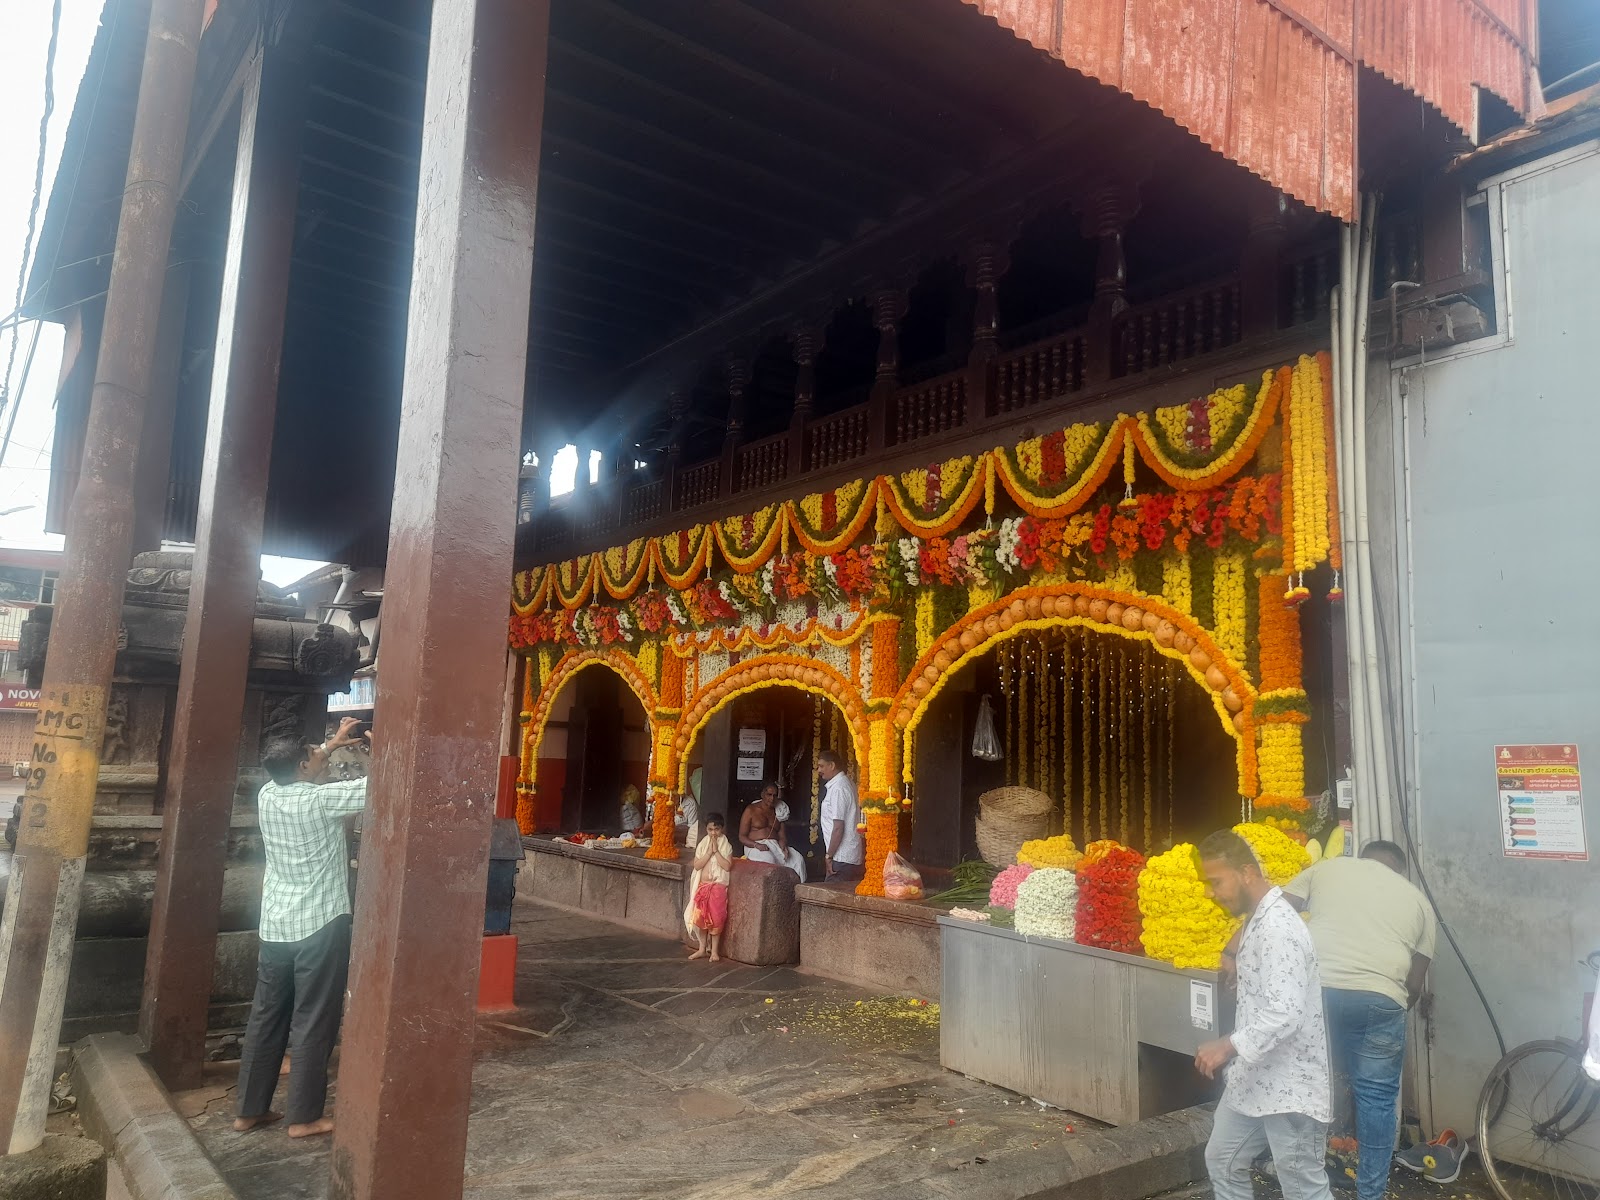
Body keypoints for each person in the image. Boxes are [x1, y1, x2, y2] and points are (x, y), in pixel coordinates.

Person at [233, 718, 369, 1139]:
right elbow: (381, 787)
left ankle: (248, 1111)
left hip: (276, 925)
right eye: (314, 755)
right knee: (314, 1019)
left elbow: (299, 767)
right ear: (302, 768)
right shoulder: (321, 801)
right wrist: (380, 750)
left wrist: (332, 745)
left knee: (266, 1016)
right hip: (320, 925)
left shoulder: (268, 793)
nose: (321, 757)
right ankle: (304, 1117)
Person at [1284, 841, 1438, 1193]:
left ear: (1363, 858)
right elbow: (1414, 983)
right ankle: (1371, 1193)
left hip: (1314, 990)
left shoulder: (1328, 869)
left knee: (1306, 1083)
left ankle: (1302, 1183)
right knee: (1377, 1099)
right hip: (1379, 996)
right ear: (1398, 870)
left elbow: (1277, 912)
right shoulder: (1419, 902)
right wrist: (1388, 1013)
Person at [1195, 828, 1334, 1200]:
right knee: (1222, 1159)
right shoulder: (1259, 919)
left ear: (1246, 873)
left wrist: (1226, 1045)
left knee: (1303, 1186)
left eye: (1215, 882)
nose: (1211, 893)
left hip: (1290, 1085)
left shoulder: (1278, 927)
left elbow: (1285, 1013)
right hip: (1256, 1078)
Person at [684, 813, 733, 961]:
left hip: (717, 888)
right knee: (701, 919)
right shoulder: (702, 844)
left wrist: (716, 851)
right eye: (710, 829)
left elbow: (727, 866)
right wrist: (708, 852)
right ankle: (702, 949)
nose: (713, 833)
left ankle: (714, 952)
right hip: (702, 887)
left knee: (716, 919)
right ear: (706, 829)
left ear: (721, 829)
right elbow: (697, 865)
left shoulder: (726, 845)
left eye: (716, 829)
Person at [740, 781, 805, 880]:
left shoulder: (779, 810)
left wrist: (783, 846)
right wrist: (757, 845)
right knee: (769, 860)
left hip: (775, 845)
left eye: (775, 795)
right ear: (762, 794)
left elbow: (782, 835)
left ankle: (797, 892)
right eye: (769, 795)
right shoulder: (751, 810)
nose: (772, 798)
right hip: (755, 846)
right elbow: (742, 836)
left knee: (797, 859)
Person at [818, 750, 864, 883]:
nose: (819, 770)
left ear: (832, 766)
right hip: (847, 857)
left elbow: (838, 827)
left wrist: (829, 856)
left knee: (831, 899)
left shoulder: (839, 788)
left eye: (821, 766)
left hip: (841, 858)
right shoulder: (845, 783)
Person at [676, 762, 703, 850]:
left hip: (681, 836)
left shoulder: (690, 803)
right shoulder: (668, 802)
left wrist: (673, 829)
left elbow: (691, 827)